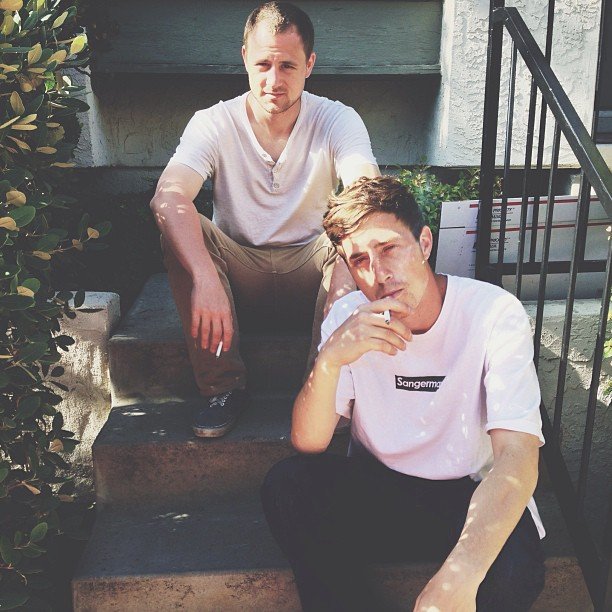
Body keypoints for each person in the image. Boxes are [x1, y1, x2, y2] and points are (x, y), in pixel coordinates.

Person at [261, 176, 546, 611]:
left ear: (425, 243)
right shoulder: (349, 317)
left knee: (514, 573)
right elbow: (309, 442)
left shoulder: (492, 312)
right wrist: (331, 359)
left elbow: (517, 456)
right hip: (383, 490)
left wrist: (459, 575)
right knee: (289, 486)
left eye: (389, 248)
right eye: (359, 260)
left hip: (469, 495)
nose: (378, 274)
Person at [150, 2, 379, 438]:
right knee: (179, 223)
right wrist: (204, 276)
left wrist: (347, 279)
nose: (274, 80)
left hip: (312, 273)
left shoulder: (336, 118)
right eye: (263, 64)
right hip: (239, 274)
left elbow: (365, 189)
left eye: (288, 65)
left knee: (354, 225)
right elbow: (168, 196)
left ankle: (322, 388)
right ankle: (222, 387)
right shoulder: (214, 122)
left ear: (309, 65)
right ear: (244, 59)